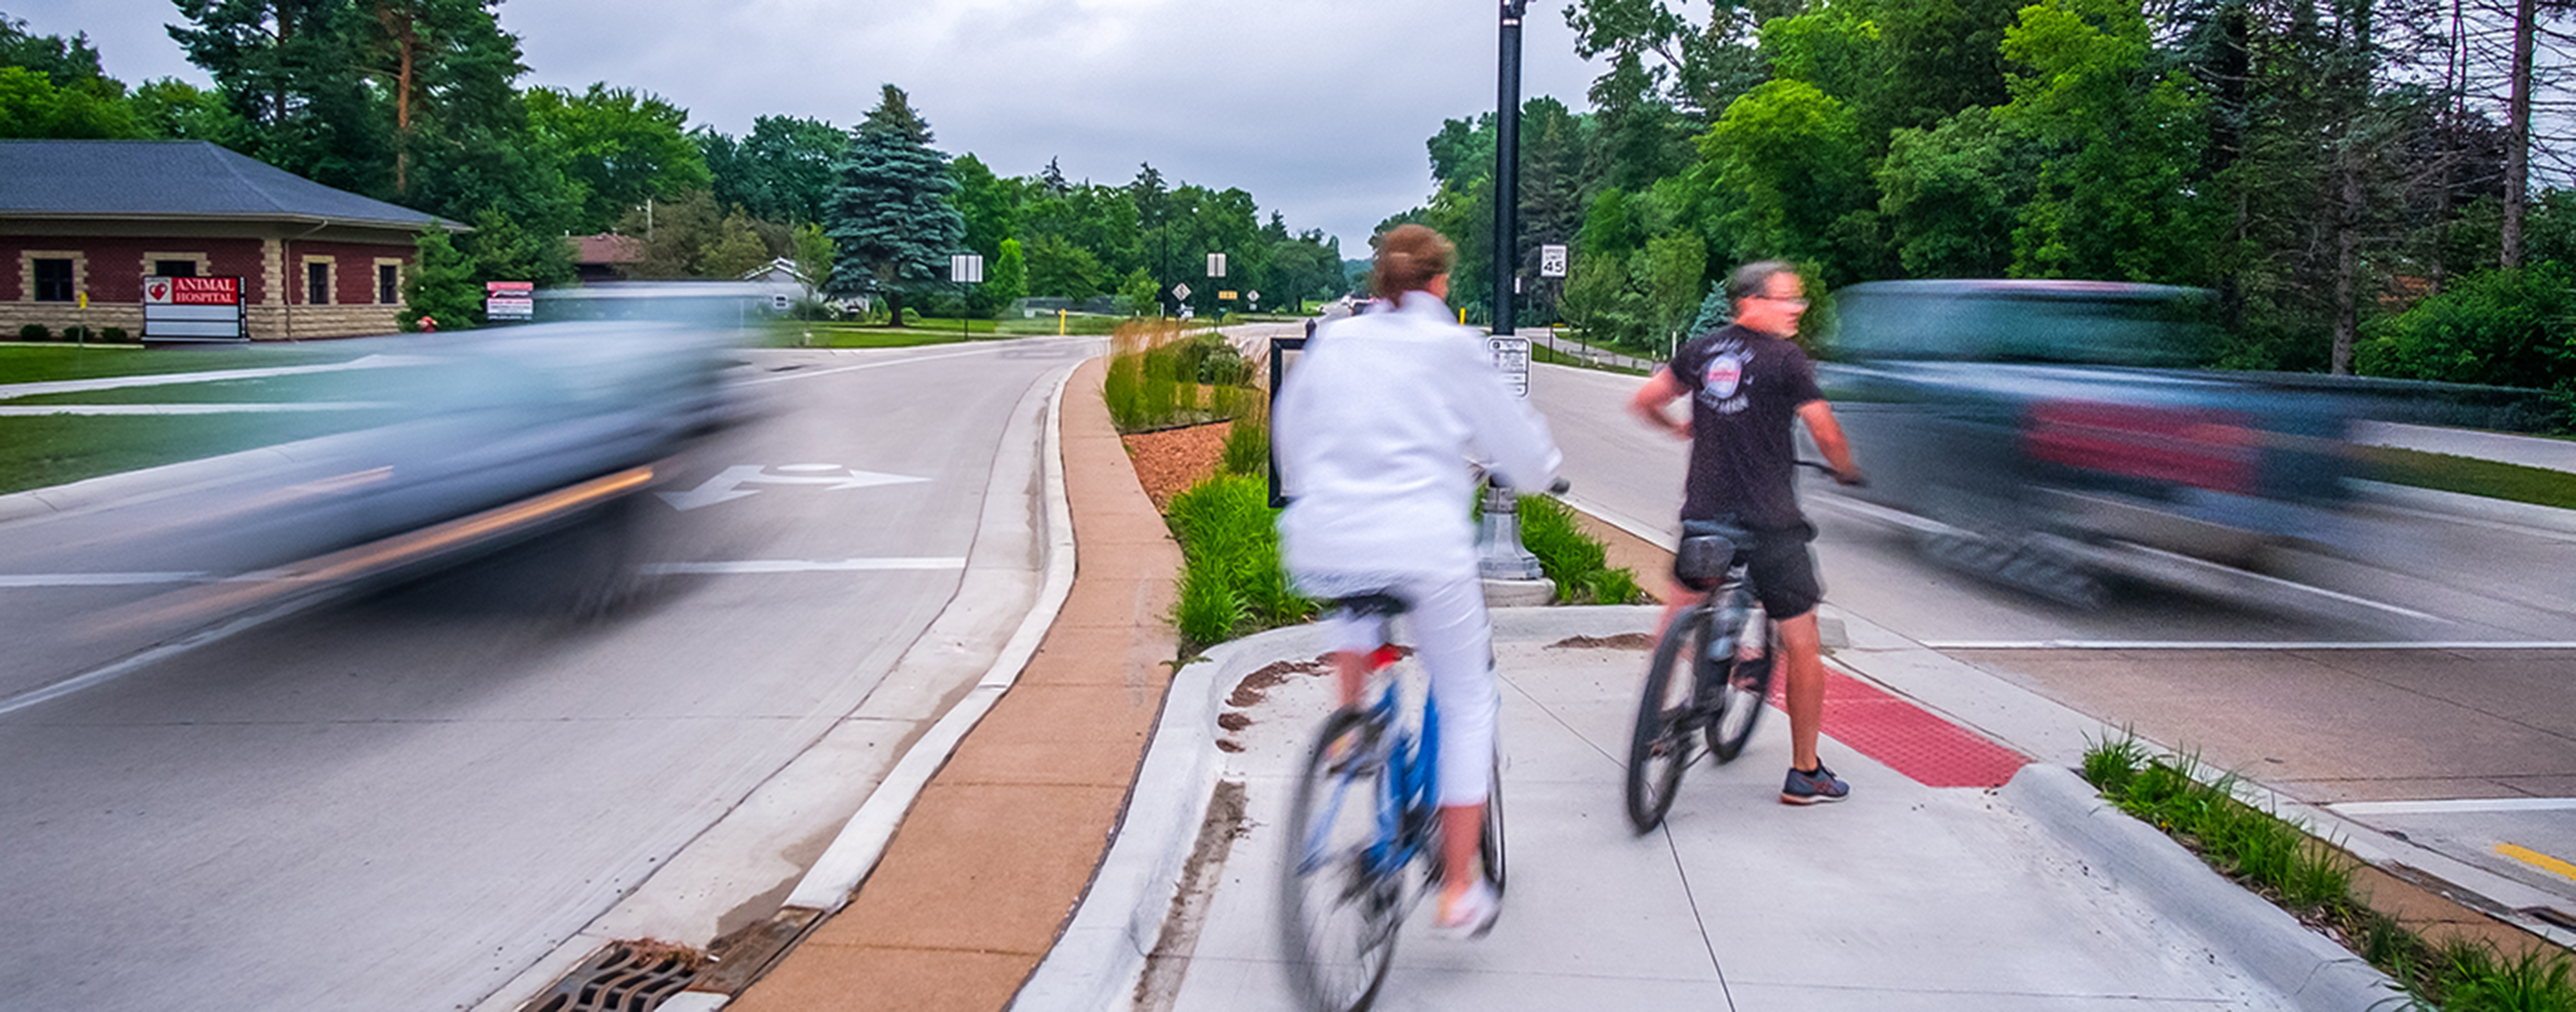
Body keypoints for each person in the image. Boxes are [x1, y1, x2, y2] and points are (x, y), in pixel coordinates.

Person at [1272, 224, 1561, 938]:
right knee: (1466, 702)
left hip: (1328, 534)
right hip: (1422, 547)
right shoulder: (1451, 346)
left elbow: (1290, 429)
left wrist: (1322, 488)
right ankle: (1459, 890)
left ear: (1379, 283)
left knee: (1355, 599)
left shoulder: (1337, 341)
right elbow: (1516, 448)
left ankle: (1352, 734)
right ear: (1439, 283)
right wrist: (1543, 474)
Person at [1627, 259, 1865, 805]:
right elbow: (1824, 429)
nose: (1797, 310)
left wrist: (1679, 427)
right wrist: (1845, 467)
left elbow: (1644, 400)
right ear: (1751, 302)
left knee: (1679, 609)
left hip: (1704, 514)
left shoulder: (1703, 350)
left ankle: (1656, 722)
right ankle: (1805, 771)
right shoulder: (1787, 360)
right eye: (1788, 299)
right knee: (1804, 643)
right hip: (1772, 524)